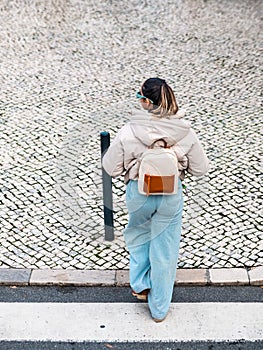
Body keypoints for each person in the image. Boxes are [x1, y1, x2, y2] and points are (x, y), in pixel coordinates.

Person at [102, 77, 209, 322]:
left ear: (147, 103)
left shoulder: (129, 130)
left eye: (139, 95)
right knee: (165, 248)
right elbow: (201, 168)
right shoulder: (184, 130)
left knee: (139, 236)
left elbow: (110, 167)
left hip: (139, 193)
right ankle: (159, 308)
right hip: (170, 194)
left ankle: (140, 285)